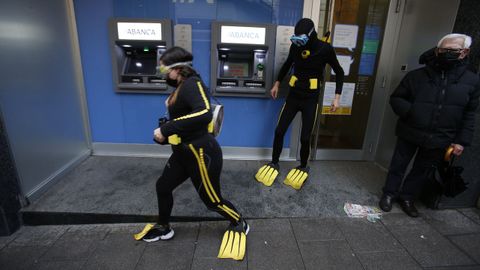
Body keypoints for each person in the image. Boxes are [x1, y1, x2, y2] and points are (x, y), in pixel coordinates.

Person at [134, 47, 248, 261]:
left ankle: (239, 221)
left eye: (164, 68)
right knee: (163, 186)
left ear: (177, 69)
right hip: (182, 153)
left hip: (201, 153)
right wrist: (165, 137)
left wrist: (166, 129)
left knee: (212, 201)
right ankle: (164, 227)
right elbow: (185, 123)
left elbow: (204, 113)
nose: (162, 72)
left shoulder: (191, 84)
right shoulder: (180, 86)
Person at [379, 33, 480, 217]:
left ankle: (407, 197)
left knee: (422, 169)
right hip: (410, 130)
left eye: (453, 50)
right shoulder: (417, 76)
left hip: (441, 136)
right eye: (443, 50)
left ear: (464, 52)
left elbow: (469, 114)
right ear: (437, 50)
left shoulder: (472, 81)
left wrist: (461, 141)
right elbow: (397, 98)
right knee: (398, 165)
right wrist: (412, 112)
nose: (446, 53)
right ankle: (389, 194)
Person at [255, 18, 344, 190]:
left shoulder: (325, 49)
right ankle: (274, 163)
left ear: (311, 35)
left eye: (301, 37)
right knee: (279, 130)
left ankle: (303, 166)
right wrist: (277, 83)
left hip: (311, 99)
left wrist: (337, 97)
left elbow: (339, 72)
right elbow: (287, 64)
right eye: (296, 37)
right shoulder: (295, 47)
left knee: (305, 137)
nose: (297, 40)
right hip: (294, 96)